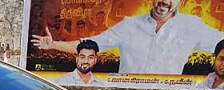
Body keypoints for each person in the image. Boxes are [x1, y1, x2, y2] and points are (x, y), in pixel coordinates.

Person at [31, 0, 224, 74]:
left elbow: (220, 41)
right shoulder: (129, 24)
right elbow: (90, 45)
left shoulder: (192, 26)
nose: (164, 1)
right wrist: (54, 44)